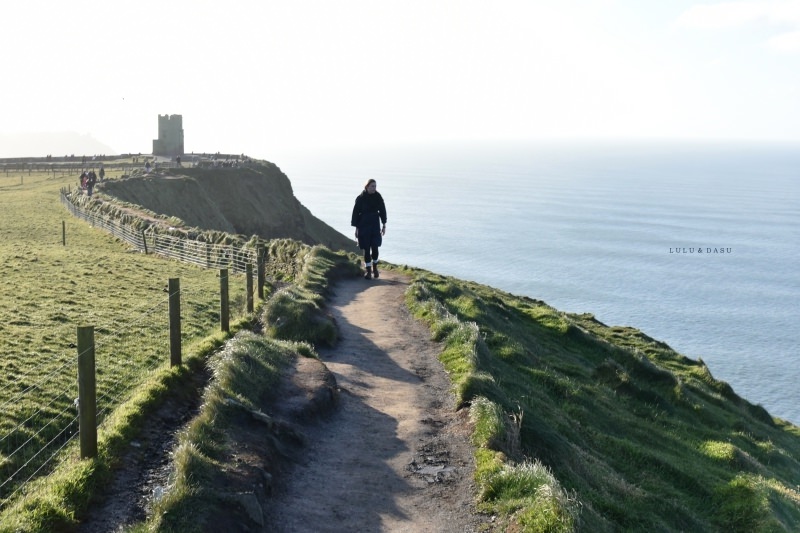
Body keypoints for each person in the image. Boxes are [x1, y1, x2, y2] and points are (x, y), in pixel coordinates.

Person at [351, 178, 387, 279]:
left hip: (375, 225)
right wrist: (356, 229)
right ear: (366, 187)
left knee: (375, 247)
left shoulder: (378, 197)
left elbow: (383, 211)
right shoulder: (360, 198)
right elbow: (355, 214)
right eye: (372, 186)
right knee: (366, 248)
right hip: (363, 225)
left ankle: (375, 269)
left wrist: (384, 225)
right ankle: (368, 271)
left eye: (375, 186)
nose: (374, 188)